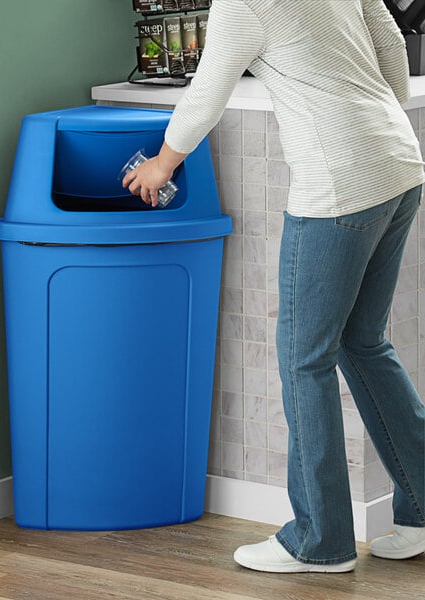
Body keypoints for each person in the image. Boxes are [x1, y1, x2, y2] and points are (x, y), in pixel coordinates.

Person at [123, 0, 425, 573]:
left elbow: (208, 89)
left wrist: (163, 162)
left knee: (303, 358)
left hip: (338, 187)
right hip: (398, 165)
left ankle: (320, 540)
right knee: (364, 343)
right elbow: (389, 42)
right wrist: (368, 108)